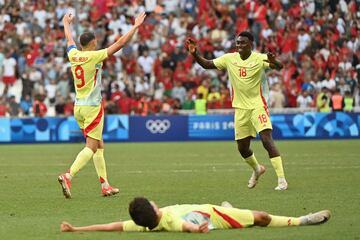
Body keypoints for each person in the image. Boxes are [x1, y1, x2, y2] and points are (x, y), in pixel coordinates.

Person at [58, 12, 146, 198]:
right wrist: (136, 26)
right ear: (92, 43)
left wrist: (66, 23)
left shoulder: (74, 55)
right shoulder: (95, 56)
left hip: (79, 107)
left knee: (99, 144)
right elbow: (120, 44)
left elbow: (68, 39)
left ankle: (105, 185)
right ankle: (68, 175)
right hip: (93, 107)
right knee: (91, 146)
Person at [186, 32, 288, 190]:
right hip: (240, 109)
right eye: (238, 43)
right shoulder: (229, 58)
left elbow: (279, 67)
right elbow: (207, 64)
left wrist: (274, 62)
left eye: (243, 43)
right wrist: (195, 53)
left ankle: (281, 180)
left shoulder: (260, 58)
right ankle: (257, 169)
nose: (239, 46)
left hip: (257, 106)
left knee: (267, 140)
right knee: (242, 148)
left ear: (251, 44)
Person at [60, 197, 331, 233]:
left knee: (241, 211)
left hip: (211, 210)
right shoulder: (168, 220)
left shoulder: (143, 226)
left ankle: (230, 205)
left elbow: (112, 226)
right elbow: (183, 226)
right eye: (153, 203)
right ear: (154, 209)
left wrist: (77, 229)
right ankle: (302, 220)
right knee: (261, 217)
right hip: (215, 215)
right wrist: (196, 229)